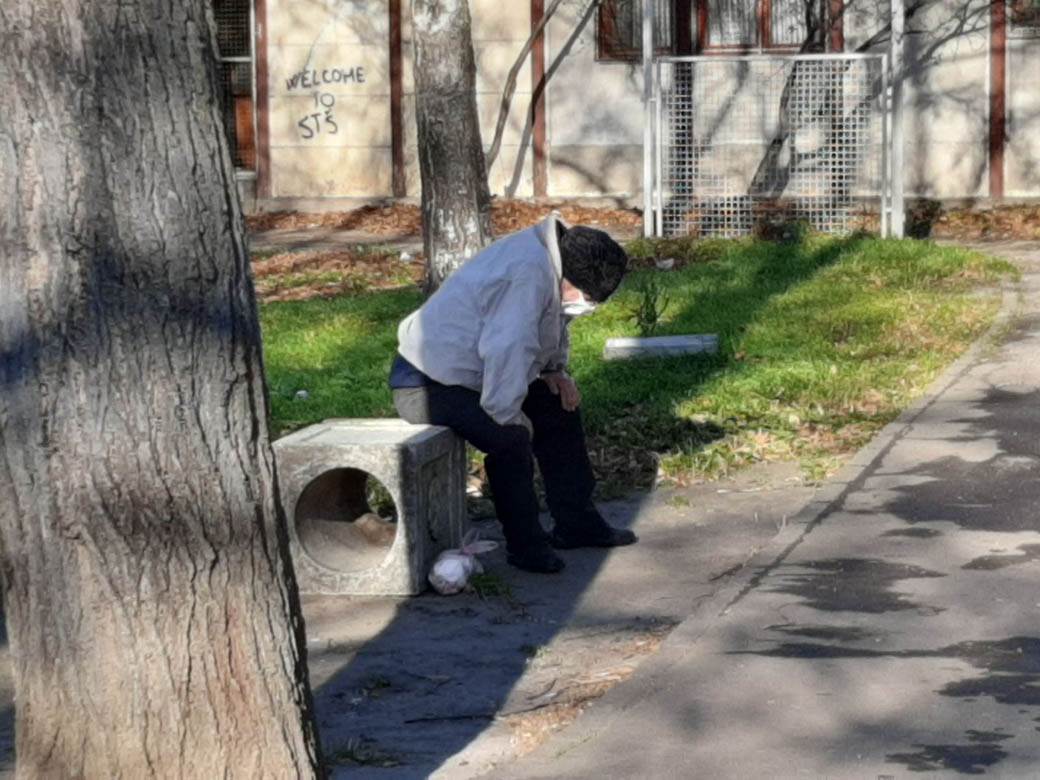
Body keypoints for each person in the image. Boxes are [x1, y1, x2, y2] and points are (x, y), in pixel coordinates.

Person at [389, 214, 636, 574]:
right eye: (586, 299)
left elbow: (552, 323)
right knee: (510, 438)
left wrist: (555, 372)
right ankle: (526, 547)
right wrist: (509, 414)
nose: (587, 308)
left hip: (472, 373)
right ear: (567, 281)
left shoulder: (554, 259)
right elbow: (509, 347)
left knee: (558, 406)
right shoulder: (526, 275)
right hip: (425, 384)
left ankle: (577, 523)